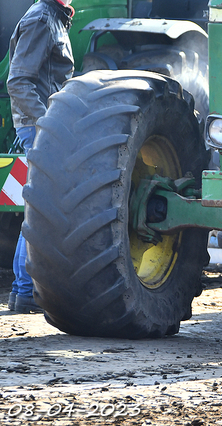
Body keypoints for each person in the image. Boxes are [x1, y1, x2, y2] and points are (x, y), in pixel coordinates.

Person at [6, 0, 74, 313]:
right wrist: (46, 123)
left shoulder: (56, 18)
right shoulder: (41, 19)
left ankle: (22, 292)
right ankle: (24, 292)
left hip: (47, 127)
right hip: (40, 129)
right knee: (40, 209)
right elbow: (18, 81)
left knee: (39, 207)